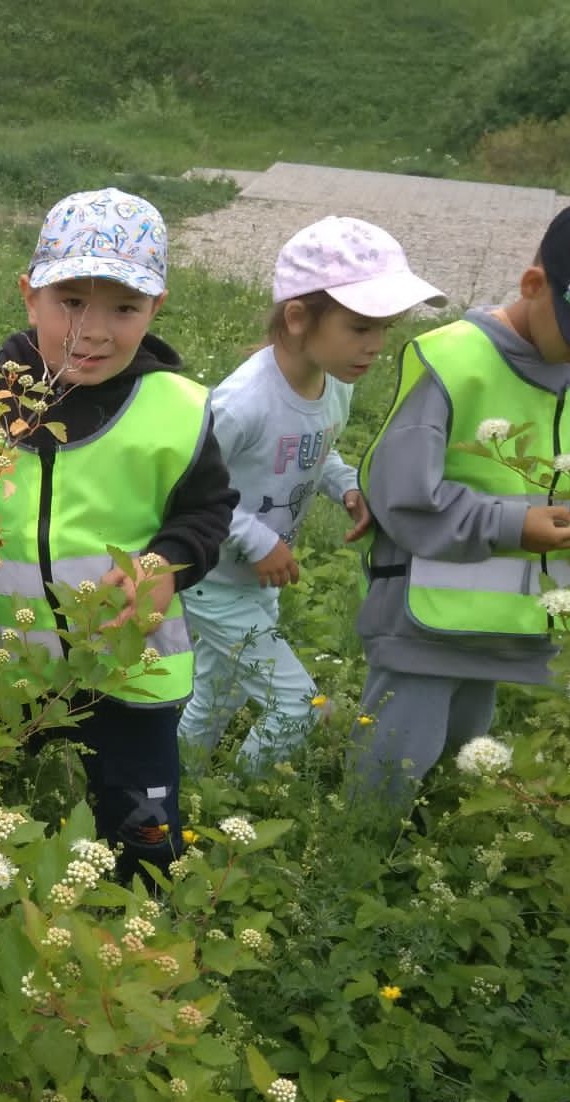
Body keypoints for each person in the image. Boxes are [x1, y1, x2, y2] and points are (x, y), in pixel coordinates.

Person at [0, 188, 236, 878]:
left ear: (157, 309)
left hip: (129, 666)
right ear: (30, 297)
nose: (94, 330)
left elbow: (207, 512)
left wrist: (168, 562)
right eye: (71, 301)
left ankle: (139, 922)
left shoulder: (176, 411)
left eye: (124, 307)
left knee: (142, 833)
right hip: (0, 663)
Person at [178, 217, 445, 769]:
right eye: (360, 327)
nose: (376, 346)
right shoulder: (243, 403)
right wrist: (256, 540)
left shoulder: (335, 385)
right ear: (298, 318)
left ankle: (184, 781)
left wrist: (346, 485)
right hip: (212, 578)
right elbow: (186, 488)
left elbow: (318, 451)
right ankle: (238, 805)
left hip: (253, 579)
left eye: (385, 329)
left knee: (219, 692)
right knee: (297, 706)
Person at [352, 205, 570, 798]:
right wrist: (513, 524)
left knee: (458, 762)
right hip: (423, 625)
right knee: (395, 765)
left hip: (507, 628)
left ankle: (414, 857)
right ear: (533, 286)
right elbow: (402, 497)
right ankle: (356, 865)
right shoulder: (454, 361)